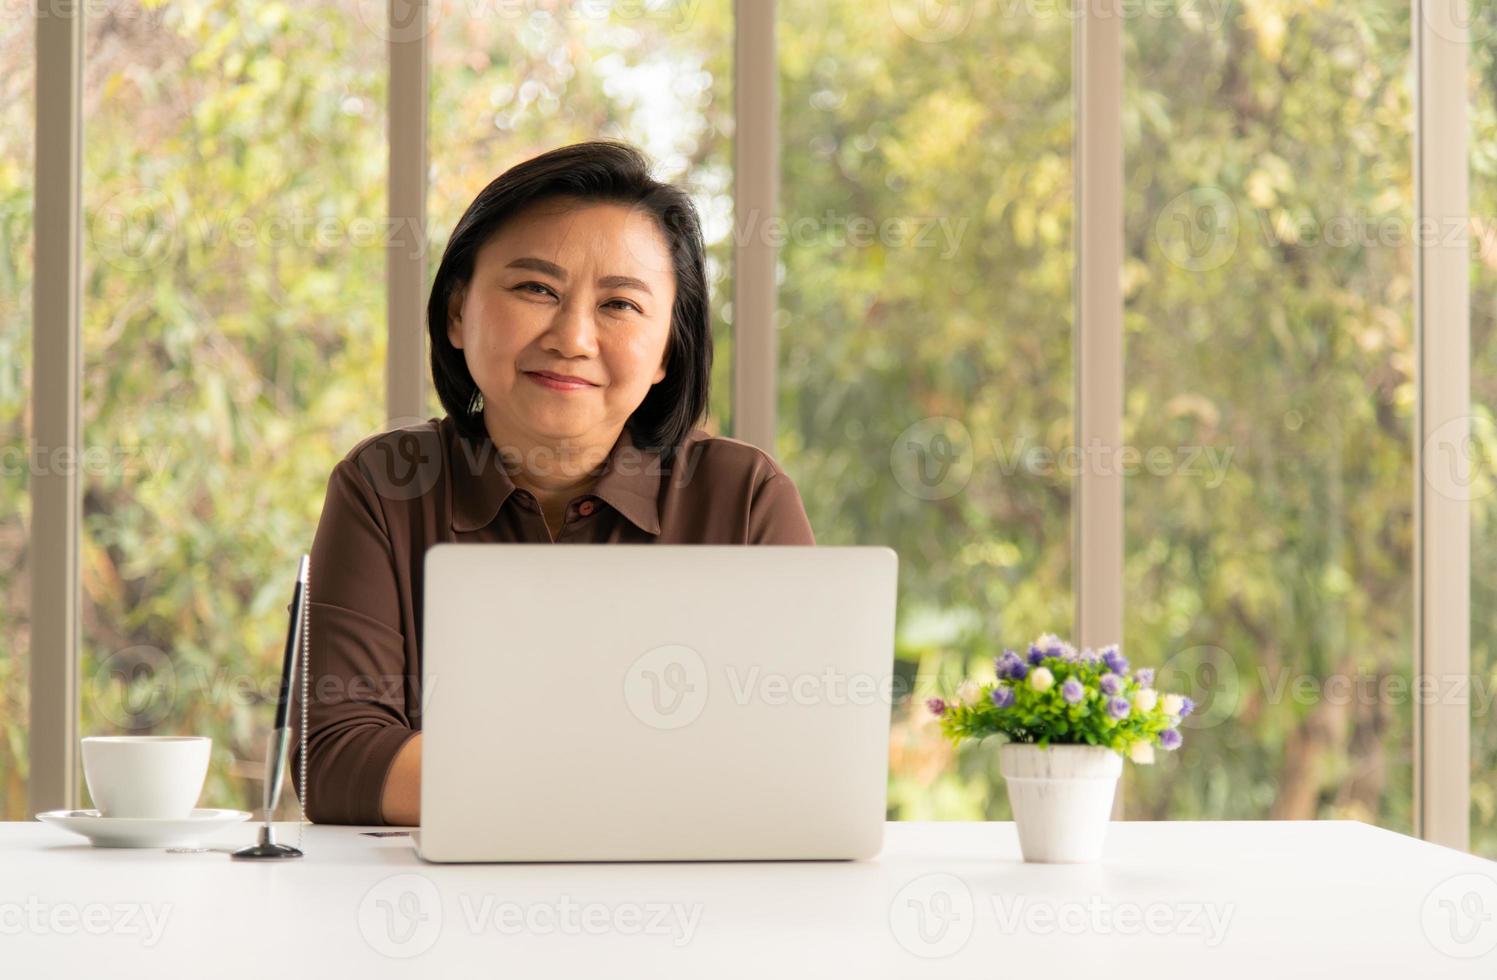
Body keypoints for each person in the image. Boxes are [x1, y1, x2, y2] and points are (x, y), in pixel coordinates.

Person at [294, 141, 814, 825]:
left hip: (689, 909)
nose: (572, 337)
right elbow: (337, 762)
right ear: (457, 313)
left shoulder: (744, 496)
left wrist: (488, 775)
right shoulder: (385, 486)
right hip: (444, 906)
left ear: (667, 352)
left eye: (620, 305)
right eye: (535, 289)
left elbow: (800, 758)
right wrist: (646, 774)